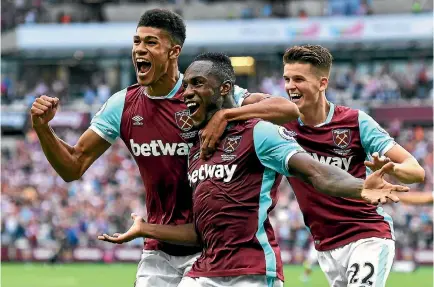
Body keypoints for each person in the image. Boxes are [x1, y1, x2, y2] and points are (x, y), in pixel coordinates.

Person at [29, 9, 300, 287]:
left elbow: (287, 109)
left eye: (150, 43)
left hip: (210, 247)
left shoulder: (202, 92)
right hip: (159, 248)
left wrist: (225, 115)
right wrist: (43, 129)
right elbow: (73, 165)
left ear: (174, 51)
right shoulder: (122, 105)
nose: (139, 50)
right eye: (137, 42)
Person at [97, 52, 408, 287]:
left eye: (197, 84)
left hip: (252, 272)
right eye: (186, 85)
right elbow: (201, 232)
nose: (186, 92)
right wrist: (145, 229)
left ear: (225, 89)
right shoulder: (197, 150)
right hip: (205, 271)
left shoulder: (258, 132)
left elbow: (317, 173)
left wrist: (361, 187)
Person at [281, 44, 425, 287]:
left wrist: (391, 169)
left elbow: (416, 170)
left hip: (366, 234)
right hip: (325, 246)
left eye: (299, 79)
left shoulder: (354, 122)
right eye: (286, 79)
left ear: (322, 83)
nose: (290, 86)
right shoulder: (281, 128)